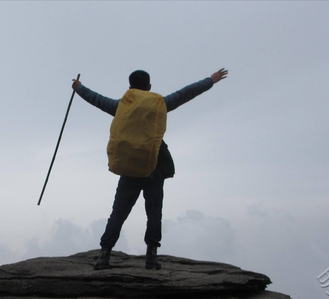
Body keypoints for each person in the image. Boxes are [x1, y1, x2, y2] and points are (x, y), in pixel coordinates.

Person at [72, 68, 228, 270]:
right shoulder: (160, 104)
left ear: (130, 88)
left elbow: (97, 99)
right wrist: (210, 80)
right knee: (154, 213)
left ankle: (104, 256)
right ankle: (151, 257)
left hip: (129, 169)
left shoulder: (121, 106)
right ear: (149, 87)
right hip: (154, 167)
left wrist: (79, 88)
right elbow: (186, 93)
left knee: (118, 214)